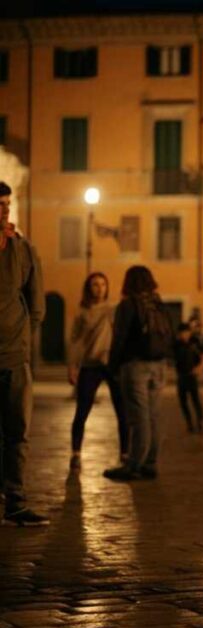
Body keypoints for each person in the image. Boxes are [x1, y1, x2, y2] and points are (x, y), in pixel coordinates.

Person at [0, 181, 48, 526]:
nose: (4, 209)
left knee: (17, 432)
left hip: (15, 356)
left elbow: (37, 304)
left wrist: (23, 340)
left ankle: (15, 500)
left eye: (7, 203)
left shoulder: (23, 248)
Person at [103, 265, 174, 482]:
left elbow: (119, 338)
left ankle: (133, 464)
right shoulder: (159, 304)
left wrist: (112, 366)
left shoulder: (127, 305)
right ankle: (150, 464)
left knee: (138, 417)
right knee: (153, 415)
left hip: (135, 366)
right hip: (159, 365)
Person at [68, 272, 129, 471]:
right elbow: (75, 341)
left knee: (122, 411)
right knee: (82, 411)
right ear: (88, 288)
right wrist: (72, 366)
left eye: (103, 284)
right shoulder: (82, 313)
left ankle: (125, 453)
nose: (99, 288)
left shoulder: (113, 310)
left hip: (111, 365)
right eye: (95, 284)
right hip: (90, 366)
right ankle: (75, 454)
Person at [172, 323, 203, 434]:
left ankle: (200, 422)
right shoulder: (176, 345)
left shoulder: (194, 343)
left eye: (186, 332)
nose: (184, 335)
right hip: (181, 376)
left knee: (196, 400)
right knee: (183, 402)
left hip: (192, 376)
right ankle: (189, 423)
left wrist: (199, 368)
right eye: (182, 333)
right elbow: (172, 358)